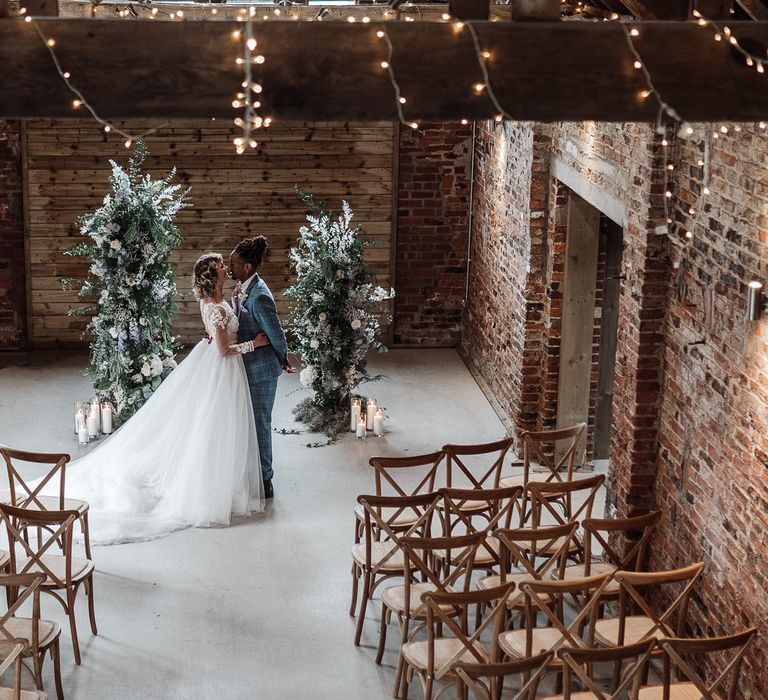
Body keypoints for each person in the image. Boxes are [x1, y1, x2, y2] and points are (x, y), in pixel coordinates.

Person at [48, 253, 269, 545]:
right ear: (213, 277)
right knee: (215, 425)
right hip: (222, 369)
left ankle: (227, 482)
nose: (226, 269)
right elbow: (223, 351)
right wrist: (256, 343)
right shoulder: (215, 309)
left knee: (216, 425)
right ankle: (211, 487)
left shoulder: (214, 301)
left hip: (219, 370)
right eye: (220, 267)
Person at [229, 236, 294, 500]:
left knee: (261, 423)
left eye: (233, 263)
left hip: (261, 369)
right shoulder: (244, 288)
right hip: (249, 364)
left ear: (246, 267)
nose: (229, 266)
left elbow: (275, 332)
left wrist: (283, 356)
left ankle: (266, 480)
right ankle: (254, 471)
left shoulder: (259, 297)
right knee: (251, 423)